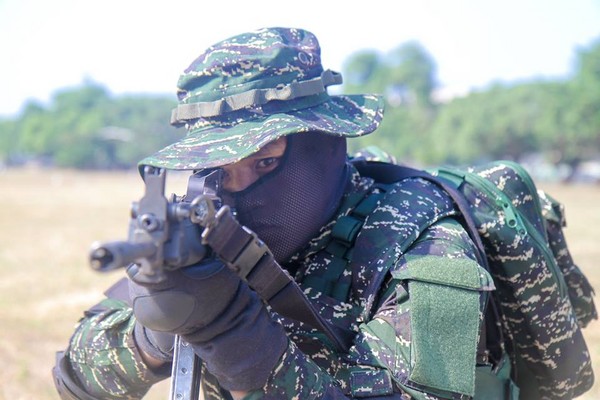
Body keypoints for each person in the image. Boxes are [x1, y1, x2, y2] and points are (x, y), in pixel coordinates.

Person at [53, 27, 511, 399]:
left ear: (324, 141)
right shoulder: (205, 230)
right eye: (219, 170)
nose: (238, 188)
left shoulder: (424, 251)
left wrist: (233, 334)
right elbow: (75, 376)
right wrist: (155, 335)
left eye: (265, 162)